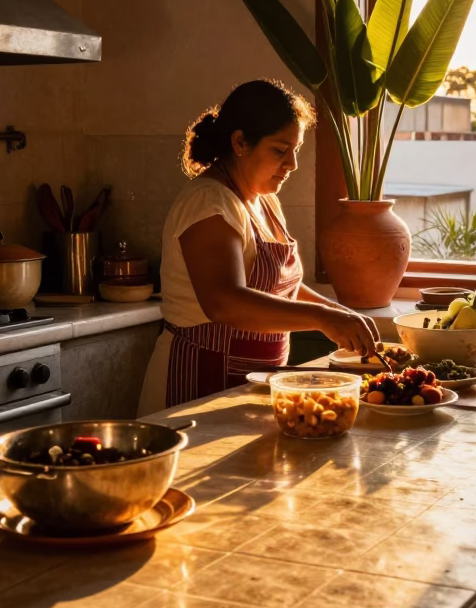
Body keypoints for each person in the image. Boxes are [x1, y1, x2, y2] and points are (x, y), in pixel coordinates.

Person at [138, 78, 378, 414]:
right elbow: (224, 302)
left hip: (251, 383)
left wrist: (339, 314)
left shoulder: (263, 201)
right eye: (280, 150)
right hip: (197, 383)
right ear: (239, 142)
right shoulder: (208, 202)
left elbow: (283, 289)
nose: (291, 164)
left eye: (295, 150)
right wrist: (321, 318)